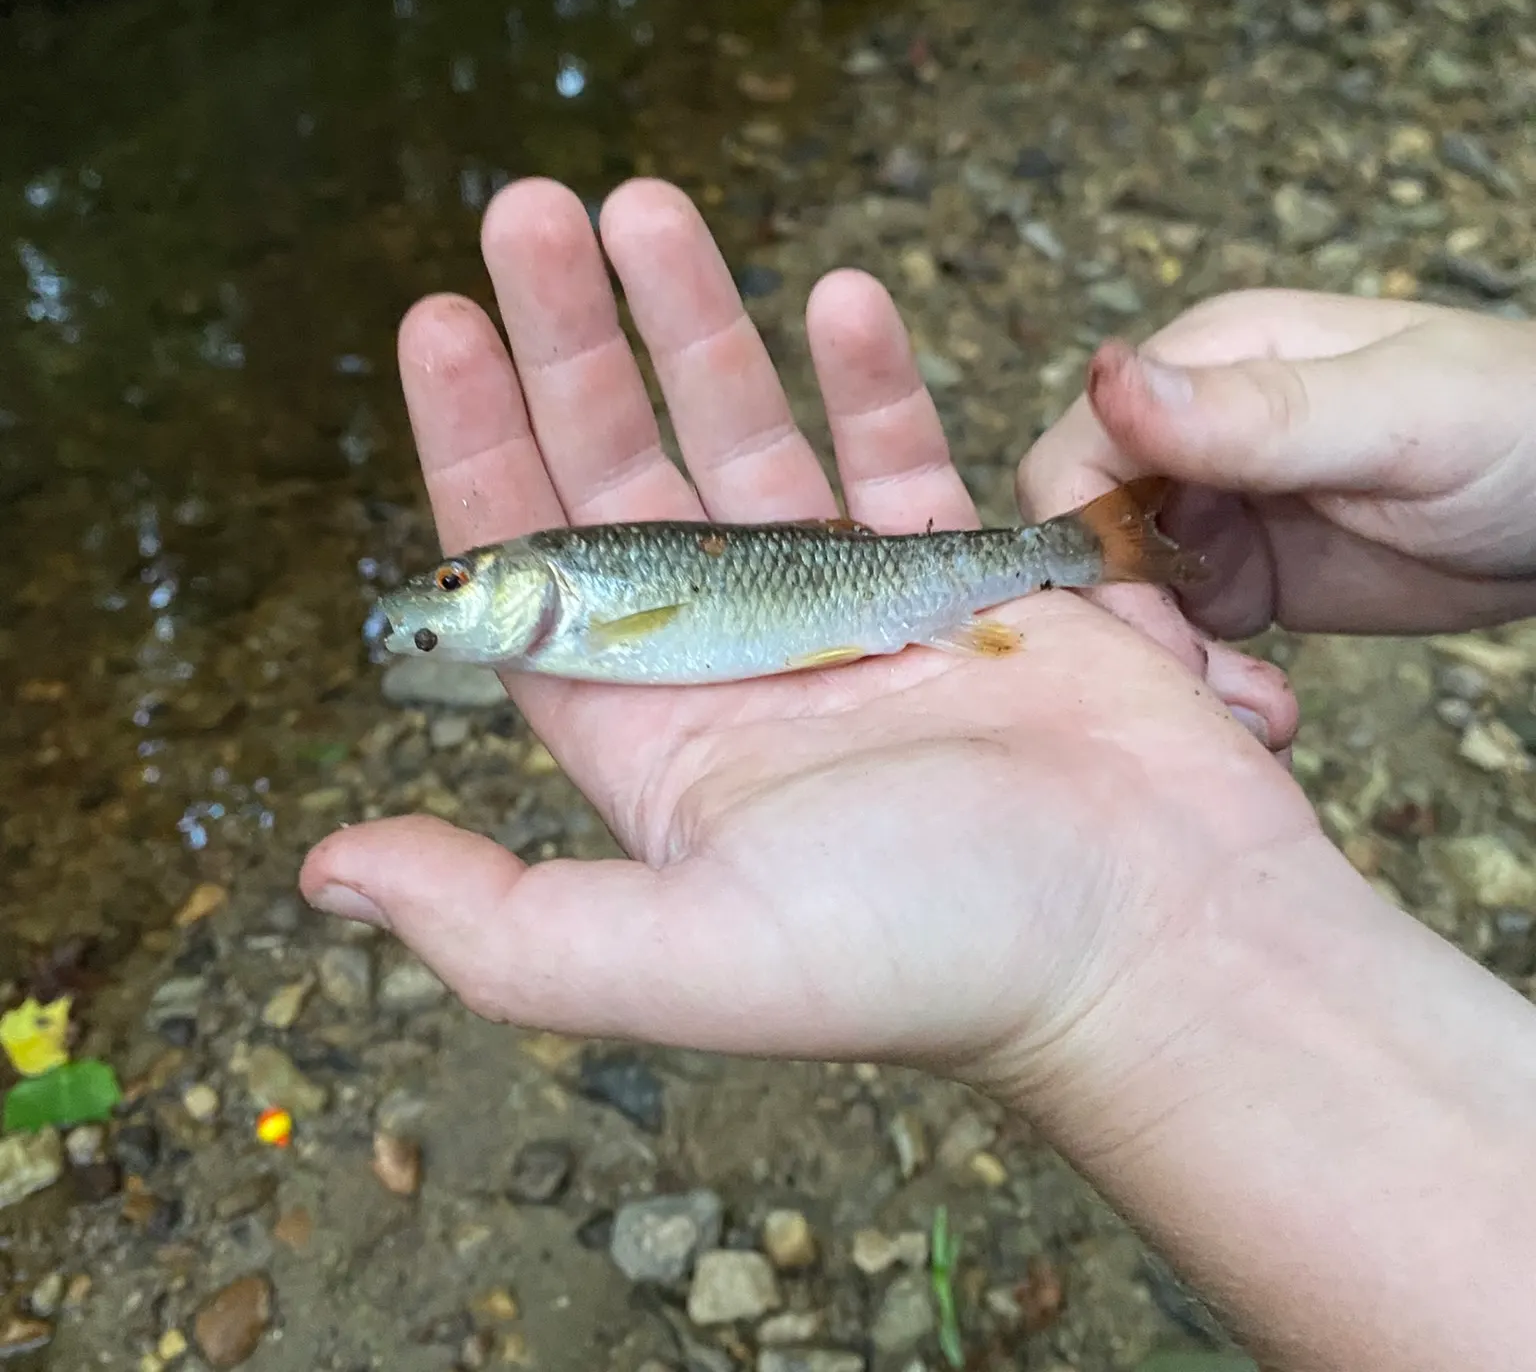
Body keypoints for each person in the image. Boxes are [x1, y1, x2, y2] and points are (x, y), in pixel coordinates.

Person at [302, 177, 1536, 1372]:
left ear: (522, 582)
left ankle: (1079, 555)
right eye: (453, 590)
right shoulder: (566, 613)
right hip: (908, 593)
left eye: (462, 581)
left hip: (919, 588)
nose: (454, 594)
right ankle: (1080, 556)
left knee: (1025, 560)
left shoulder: (578, 601)